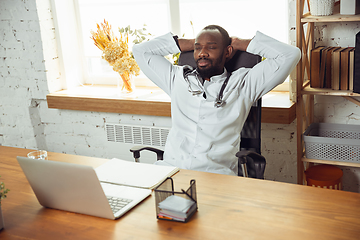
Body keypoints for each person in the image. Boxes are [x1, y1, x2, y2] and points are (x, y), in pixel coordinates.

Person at [132, 25, 301, 175]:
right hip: (172, 170)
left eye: (211, 48)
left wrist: (239, 43)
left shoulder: (244, 83)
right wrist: (194, 43)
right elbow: (140, 51)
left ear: (227, 51)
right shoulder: (176, 78)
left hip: (214, 174)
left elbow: (290, 54)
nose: (202, 53)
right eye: (198, 49)